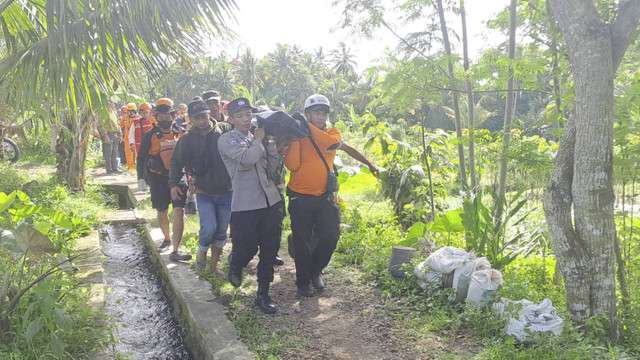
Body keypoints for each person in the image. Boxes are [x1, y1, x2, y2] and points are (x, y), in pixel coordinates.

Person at [218, 97, 283, 314]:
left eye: (248, 114)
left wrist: (271, 143)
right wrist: (259, 141)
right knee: (247, 249)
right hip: (245, 205)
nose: (246, 119)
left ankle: (263, 293)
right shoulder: (227, 140)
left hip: (269, 201)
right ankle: (236, 262)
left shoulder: (258, 137)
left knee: (269, 249)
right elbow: (247, 158)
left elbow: (273, 167)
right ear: (231, 119)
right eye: (240, 116)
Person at [284, 94, 342, 297]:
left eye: (323, 113)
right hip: (300, 197)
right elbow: (292, 165)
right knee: (302, 240)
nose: (320, 116)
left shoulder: (332, 133)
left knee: (331, 236)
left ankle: (315, 270)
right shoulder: (297, 135)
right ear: (307, 114)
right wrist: (297, 137)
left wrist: (304, 127)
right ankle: (303, 282)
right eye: (316, 112)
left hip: (324, 196)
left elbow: (327, 141)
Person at [169, 100, 233, 274]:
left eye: (204, 116)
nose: (202, 121)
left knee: (221, 230)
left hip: (226, 190)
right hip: (204, 190)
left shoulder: (224, 129)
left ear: (209, 114)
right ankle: (201, 253)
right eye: (197, 118)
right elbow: (176, 161)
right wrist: (174, 184)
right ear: (191, 119)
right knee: (208, 227)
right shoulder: (188, 139)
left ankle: (213, 267)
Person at [136, 99, 191, 261]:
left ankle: (176, 249)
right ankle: (167, 239)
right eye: (161, 117)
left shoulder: (181, 133)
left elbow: (190, 155)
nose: (165, 120)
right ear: (156, 117)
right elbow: (141, 157)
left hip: (178, 177)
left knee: (179, 210)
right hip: (157, 177)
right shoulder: (149, 136)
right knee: (162, 210)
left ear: (173, 116)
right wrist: (141, 177)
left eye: (168, 116)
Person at [96, 100, 123, 175]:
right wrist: (105, 135)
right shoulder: (103, 112)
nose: (113, 104)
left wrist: (120, 134)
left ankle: (115, 169)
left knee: (114, 152)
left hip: (115, 134)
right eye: (112, 103)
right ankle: (109, 170)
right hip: (108, 134)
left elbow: (117, 123)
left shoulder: (114, 112)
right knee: (108, 153)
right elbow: (100, 125)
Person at [120, 103, 140, 171]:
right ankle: (130, 168)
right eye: (127, 111)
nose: (128, 113)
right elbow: (120, 125)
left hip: (136, 138)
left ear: (133, 111)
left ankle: (139, 167)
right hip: (127, 138)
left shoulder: (138, 119)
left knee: (137, 153)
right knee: (128, 154)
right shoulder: (124, 118)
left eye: (129, 111)